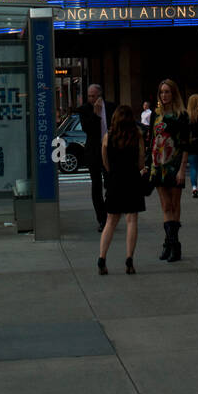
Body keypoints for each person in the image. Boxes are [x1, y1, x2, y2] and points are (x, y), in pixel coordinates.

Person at [98, 105, 147, 274]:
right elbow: (141, 163)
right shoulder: (137, 135)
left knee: (110, 221)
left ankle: (102, 258)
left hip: (115, 180)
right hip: (132, 179)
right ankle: (129, 259)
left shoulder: (108, 137)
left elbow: (105, 161)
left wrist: (112, 172)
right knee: (132, 219)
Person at [146, 79, 189, 262]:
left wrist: (182, 169)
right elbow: (151, 141)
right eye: (161, 92)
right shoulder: (155, 116)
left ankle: (174, 244)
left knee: (174, 204)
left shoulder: (181, 115)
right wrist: (147, 165)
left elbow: (186, 144)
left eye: (167, 92)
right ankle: (170, 244)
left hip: (174, 164)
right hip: (158, 165)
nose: (164, 95)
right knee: (165, 206)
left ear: (174, 94)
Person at [78, 84, 117, 232]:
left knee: (111, 184)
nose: (91, 99)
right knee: (96, 185)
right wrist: (95, 113)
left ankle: (109, 212)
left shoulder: (112, 107)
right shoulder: (85, 109)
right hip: (94, 152)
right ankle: (102, 218)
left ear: (100, 95)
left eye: (94, 96)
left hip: (109, 151)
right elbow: (87, 129)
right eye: (89, 96)